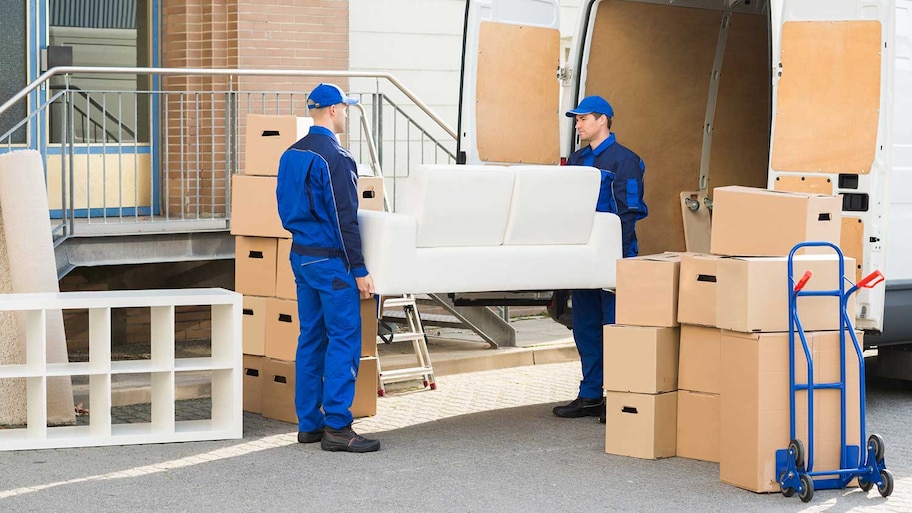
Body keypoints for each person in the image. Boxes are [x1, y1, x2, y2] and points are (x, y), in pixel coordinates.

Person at [275, 83, 380, 453]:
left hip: (301, 255)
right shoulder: (335, 156)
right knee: (344, 339)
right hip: (332, 261)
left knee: (311, 338)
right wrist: (360, 269)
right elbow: (344, 218)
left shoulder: (290, 154)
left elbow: (284, 207)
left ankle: (309, 424)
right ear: (334, 110)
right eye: (346, 108)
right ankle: (338, 425)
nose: (347, 114)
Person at [552, 95, 648, 422]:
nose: (577, 125)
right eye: (576, 120)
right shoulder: (577, 160)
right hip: (583, 259)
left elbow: (630, 212)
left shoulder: (626, 161)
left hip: (614, 258)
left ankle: (618, 397)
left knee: (614, 328)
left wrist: (615, 258)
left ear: (602, 120)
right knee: (586, 327)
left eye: (582, 119)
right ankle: (591, 395)